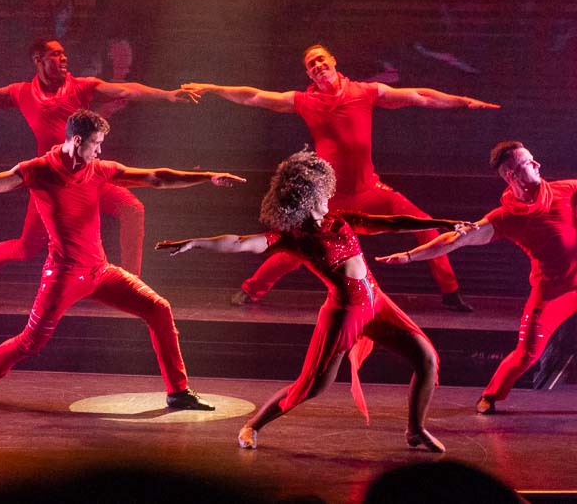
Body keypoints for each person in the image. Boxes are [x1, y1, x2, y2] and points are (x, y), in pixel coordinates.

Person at [0, 109, 243, 410]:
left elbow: (158, 178)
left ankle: (178, 393)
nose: (100, 151)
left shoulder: (100, 170)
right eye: (96, 145)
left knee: (159, 309)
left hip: (100, 271)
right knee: (31, 342)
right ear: (76, 141)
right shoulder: (40, 169)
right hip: (62, 276)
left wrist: (207, 177)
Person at [157, 149, 460, 452]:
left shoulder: (339, 219)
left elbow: (390, 223)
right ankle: (252, 425)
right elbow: (240, 242)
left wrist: (439, 222)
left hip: (377, 303)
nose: (329, 193)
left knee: (427, 359)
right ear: (310, 195)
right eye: (323, 190)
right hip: (345, 314)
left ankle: (416, 429)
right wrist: (196, 242)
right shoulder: (293, 237)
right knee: (312, 386)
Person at [377, 140, 577, 419]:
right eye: (529, 162)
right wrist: (408, 256)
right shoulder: (505, 218)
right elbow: (455, 240)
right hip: (550, 295)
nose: (537, 164)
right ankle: (490, 396)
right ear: (512, 175)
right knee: (528, 354)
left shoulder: (566, 190)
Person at [182, 44, 497, 311]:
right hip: (329, 197)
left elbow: (419, 96)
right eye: (311, 64)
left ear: (333, 62)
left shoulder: (365, 92)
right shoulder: (304, 101)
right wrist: (211, 88)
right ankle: (251, 291)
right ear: (309, 74)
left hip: (371, 189)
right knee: (297, 249)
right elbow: (254, 97)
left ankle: (451, 294)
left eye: (321, 59)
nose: (318, 66)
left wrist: (464, 102)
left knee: (427, 226)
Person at [0, 38, 198, 295]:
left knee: (133, 209)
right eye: (56, 54)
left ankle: (130, 283)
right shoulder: (22, 93)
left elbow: (127, 90)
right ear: (38, 59)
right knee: (28, 247)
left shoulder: (81, 87)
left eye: (64, 53)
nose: (64, 58)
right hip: (49, 182)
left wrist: (168, 95)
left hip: (88, 176)